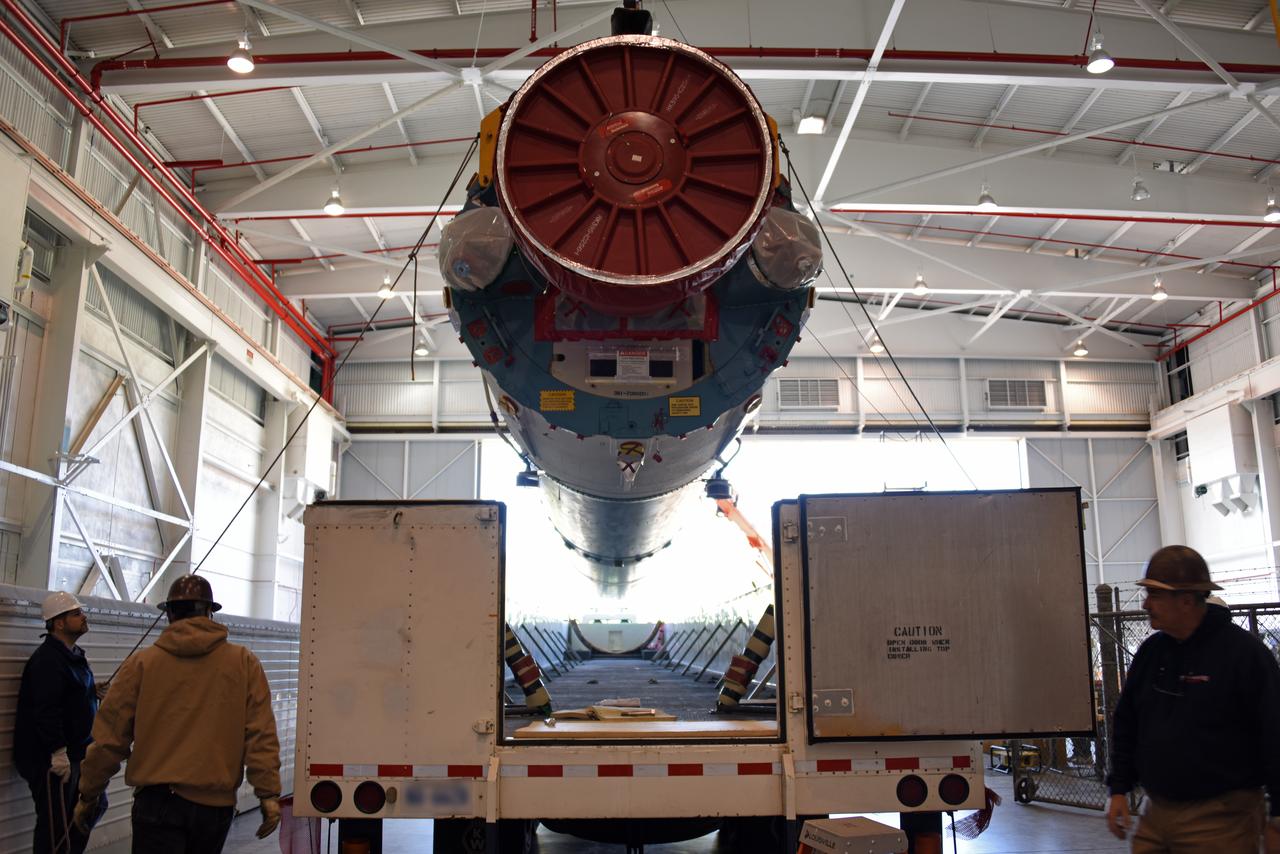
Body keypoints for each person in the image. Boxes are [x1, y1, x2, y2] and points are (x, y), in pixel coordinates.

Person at [72, 575, 282, 853]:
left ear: (169, 614)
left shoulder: (142, 664)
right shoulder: (244, 663)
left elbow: (109, 738)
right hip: (214, 808)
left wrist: (89, 792)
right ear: (210, 613)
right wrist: (268, 793)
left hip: (157, 803)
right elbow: (260, 734)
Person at [1105, 545, 1280, 853]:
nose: (1145, 604)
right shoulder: (1151, 653)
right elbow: (1127, 721)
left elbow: (1275, 732)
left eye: (1155, 595)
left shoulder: (1242, 655)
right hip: (1154, 811)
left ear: (1186, 600)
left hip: (1221, 819)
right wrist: (1118, 788)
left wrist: (1278, 814)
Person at [14, 591, 107, 854]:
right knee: (55, 826)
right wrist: (57, 752)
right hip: (54, 759)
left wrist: (90, 691)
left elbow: (65, 694)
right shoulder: (48, 660)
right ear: (59, 623)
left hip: (78, 754)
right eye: (77, 613)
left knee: (93, 807)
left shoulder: (73, 655)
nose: (84, 617)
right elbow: (46, 709)